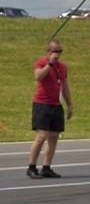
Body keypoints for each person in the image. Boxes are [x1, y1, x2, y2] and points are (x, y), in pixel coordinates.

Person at [28, 39, 73, 179]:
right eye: (55, 51)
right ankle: (31, 167)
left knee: (53, 137)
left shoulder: (63, 67)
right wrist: (50, 63)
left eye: (60, 51)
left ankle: (46, 167)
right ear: (48, 52)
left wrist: (69, 104)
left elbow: (64, 86)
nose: (58, 54)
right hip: (42, 104)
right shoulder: (42, 63)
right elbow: (38, 76)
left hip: (56, 104)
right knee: (41, 136)